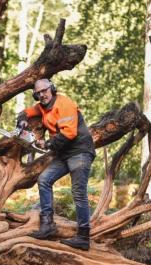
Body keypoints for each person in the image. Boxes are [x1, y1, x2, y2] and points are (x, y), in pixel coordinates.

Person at [17, 79, 96, 250]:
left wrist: (47, 144)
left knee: (78, 192)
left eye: (44, 91)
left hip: (80, 151)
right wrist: (22, 122)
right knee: (44, 179)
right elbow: (26, 112)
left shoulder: (64, 103)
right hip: (65, 154)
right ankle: (47, 225)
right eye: (38, 93)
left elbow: (69, 133)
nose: (42, 95)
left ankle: (83, 236)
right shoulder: (42, 107)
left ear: (52, 88)